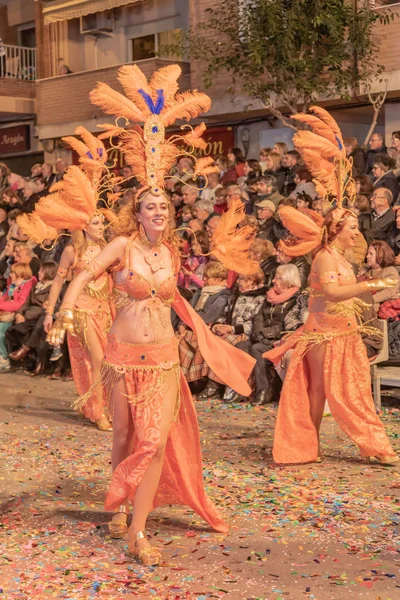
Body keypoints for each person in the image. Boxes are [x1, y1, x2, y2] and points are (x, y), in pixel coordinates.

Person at [45, 64, 256, 564]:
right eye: (151, 205)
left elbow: (176, 301)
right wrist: (68, 313)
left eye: (165, 205)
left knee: (156, 441)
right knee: (123, 435)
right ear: (137, 212)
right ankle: (120, 507)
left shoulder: (173, 254)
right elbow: (79, 276)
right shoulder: (121, 246)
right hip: (122, 356)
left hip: (163, 358)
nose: (160, 210)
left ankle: (137, 531)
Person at [264, 107, 397, 466]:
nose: (356, 232)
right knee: (320, 391)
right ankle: (308, 445)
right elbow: (336, 294)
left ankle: (374, 445)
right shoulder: (324, 257)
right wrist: (370, 283)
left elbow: (349, 292)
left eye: (356, 226)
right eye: (351, 228)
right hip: (323, 335)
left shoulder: (344, 260)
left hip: (346, 332)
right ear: (336, 231)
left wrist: (371, 286)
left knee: (355, 392)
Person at [18, 130, 114, 432]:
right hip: (81, 312)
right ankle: (101, 412)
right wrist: (50, 313)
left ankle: (103, 405)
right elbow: (58, 283)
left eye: (102, 222)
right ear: (83, 225)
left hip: (107, 312)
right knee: (97, 360)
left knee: (109, 360)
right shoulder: (73, 250)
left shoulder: (111, 248)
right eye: (95, 222)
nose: (100, 226)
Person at [233, 264, 301, 405]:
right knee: (240, 346)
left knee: (257, 349)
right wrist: (258, 332)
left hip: (280, 340)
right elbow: (258, 317)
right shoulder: (270, 297)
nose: (273, 281)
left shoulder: (296, 299)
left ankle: (264, 390)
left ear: (288, 281)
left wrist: (266, 334)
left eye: (278, 278)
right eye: (274, 277)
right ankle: (241, 390)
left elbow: (288, 325)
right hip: (262, 337)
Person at [7, 261, 57, 373]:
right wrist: (19, 313)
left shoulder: (53, 289)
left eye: (41, 270)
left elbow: (44, 309)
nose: (38, 272)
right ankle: (28, 356)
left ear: (48, 272)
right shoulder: (36, 286)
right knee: (13, 330)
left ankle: (30, 352)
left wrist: (27, 315)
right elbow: (26, 302)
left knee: (39, 332)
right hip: (30, 316)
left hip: (40, 317)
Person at [0, 263, 36, 370]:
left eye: (12, 273)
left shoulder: (26, 285)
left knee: (1, 332)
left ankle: (4, 358)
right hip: (6, 312)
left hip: (19, 315)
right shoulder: (12, 286)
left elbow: (19, 304)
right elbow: (5, 299)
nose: (10, 275)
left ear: (20, 274)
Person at [362, 241, 400, 311]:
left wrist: (371, 299)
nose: (367, 256)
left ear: (381, 256)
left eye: (371, 254)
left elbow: (389, 292)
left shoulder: (390, 271)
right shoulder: (367, 271)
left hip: (385, 306)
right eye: (367, 253)